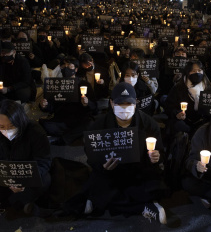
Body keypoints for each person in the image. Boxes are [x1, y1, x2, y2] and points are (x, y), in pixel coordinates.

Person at [58, 83, 168, 224]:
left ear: (136, 104)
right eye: (120, 103)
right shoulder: (99, 125)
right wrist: (103, 166)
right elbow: (91, 156)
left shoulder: (149, 124)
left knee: (154, 185)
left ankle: (102, 202)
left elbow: (161, 152)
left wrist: (156, 157)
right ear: (111, 103)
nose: (124, 107)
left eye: (129, 103)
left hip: (139, 171)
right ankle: (143, 206)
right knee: (99, 183)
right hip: (111, 173)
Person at [0, 100, 51, 215]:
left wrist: (25, 181)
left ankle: (16, 202)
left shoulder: (35, 132)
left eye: (11, 126)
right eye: (2, 126)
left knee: (45, 180)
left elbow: (44, 161)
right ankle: (21, 202)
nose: (6, 131)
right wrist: (7, 179)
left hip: (28, 174)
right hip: (6, 174)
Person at [39, 56, 96, 145]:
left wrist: (87, 103)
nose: (66, 69)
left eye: (69, 67)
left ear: (76, 69)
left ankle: (62, 139)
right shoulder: (56, 84)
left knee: (90, 124)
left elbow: (94, 107)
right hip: (61, 120)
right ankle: (72, 136)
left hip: (78, 120)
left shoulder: (84, 84)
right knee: (44, 125)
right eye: (64, 67)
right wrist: (44, 105)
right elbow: (51, 107)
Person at [165, 60, 211, 136]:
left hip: (203, 122)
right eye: (193, 71)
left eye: (199, 70)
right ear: (188, 72)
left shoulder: (209, 88)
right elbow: (169, 106)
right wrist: (177, 113)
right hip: (184, 121)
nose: (197, 73)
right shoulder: (179, 87)